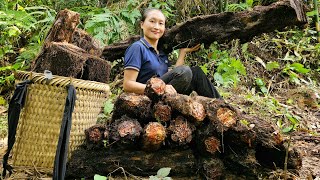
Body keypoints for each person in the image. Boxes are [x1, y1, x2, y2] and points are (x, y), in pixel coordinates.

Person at [123, 8, 221, 99]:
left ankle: (223, 106)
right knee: (185, 71)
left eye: (161, 23)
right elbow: (127, 85)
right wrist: (162, 88)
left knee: (196, 72)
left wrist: (182, 53)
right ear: (142, 24)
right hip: (146, 98)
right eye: (152, 21)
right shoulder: (137, 47)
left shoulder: (161, 53)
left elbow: (177, 77)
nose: (156, 27)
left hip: (164, 96)